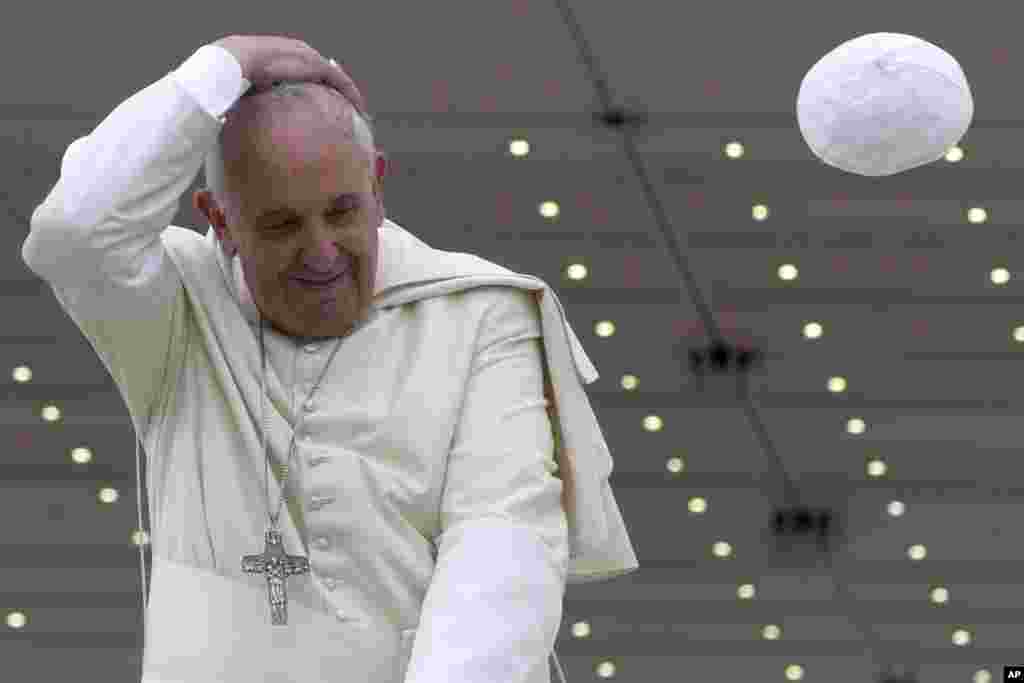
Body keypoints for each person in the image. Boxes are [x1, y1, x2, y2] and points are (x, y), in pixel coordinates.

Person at [22, 34, 638, 683]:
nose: (321, 252)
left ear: (377, 185)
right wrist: (225, 63)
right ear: (220, 220)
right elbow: (72, 233)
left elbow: (500, 548)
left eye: (342, 211)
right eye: (282, 225)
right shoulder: (176, 305)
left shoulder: (483, 314)